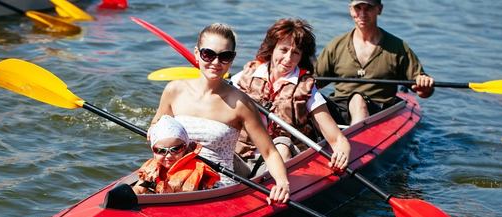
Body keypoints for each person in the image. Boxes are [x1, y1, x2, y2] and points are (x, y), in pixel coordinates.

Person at [150, 23, 291, 204]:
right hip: (172, 179)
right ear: (196, 53)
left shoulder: (241, 103)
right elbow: (156, 126)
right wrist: (155, 133)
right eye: (208, 54)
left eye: (224, 56)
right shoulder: (174, 90)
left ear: (232, 59)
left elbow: (269, 152)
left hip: (217, 189)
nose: (216, 63)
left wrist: (282, 183)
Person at [230, 18, 350, 171]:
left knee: (282, 146)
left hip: (283, 158)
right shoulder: (244, 77)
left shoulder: (306, 88)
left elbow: (337, 138)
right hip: (243, 154)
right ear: (272, 48)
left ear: (301, 57)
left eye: (295, 53)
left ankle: (277, 189)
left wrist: (342, 153)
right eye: (284, 50)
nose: (288, 59)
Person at [315, 0, 435, 125]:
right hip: (339, 108)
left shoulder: (398, 47)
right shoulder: (336, 46)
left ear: (380, 9)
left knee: (358, 100)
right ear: (351, 10)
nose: (362, 14)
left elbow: (424, 92)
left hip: (379, 111)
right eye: (358, 8)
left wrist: (424, 86)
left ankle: (355, 140)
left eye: (368, 8)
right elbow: (314, 82)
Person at [133, 115, 220, 194]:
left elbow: (193, 196)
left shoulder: (196, 168)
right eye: (161, 151)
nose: (169, 155)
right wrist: (133, 193)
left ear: (185, 147)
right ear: (153, 150)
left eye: (175, 149)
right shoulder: (152, 168)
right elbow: (139, 188)